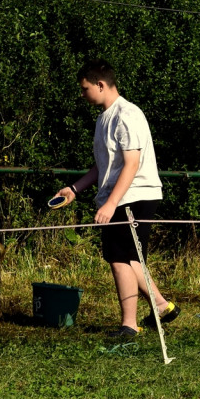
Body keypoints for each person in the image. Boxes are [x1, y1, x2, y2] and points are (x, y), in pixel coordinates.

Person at [52, 58, 179, 338]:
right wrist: (74, 189)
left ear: (100, 84)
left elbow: (131, 164)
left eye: (85, 88)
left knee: (121, 258)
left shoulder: (127, 115)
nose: (82, 94)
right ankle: (161, 305)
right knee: (127, 257)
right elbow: (103, 165)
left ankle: (129, 326)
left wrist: (111, 203)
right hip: (118, 196)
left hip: (135, 196)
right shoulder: (103, 119)